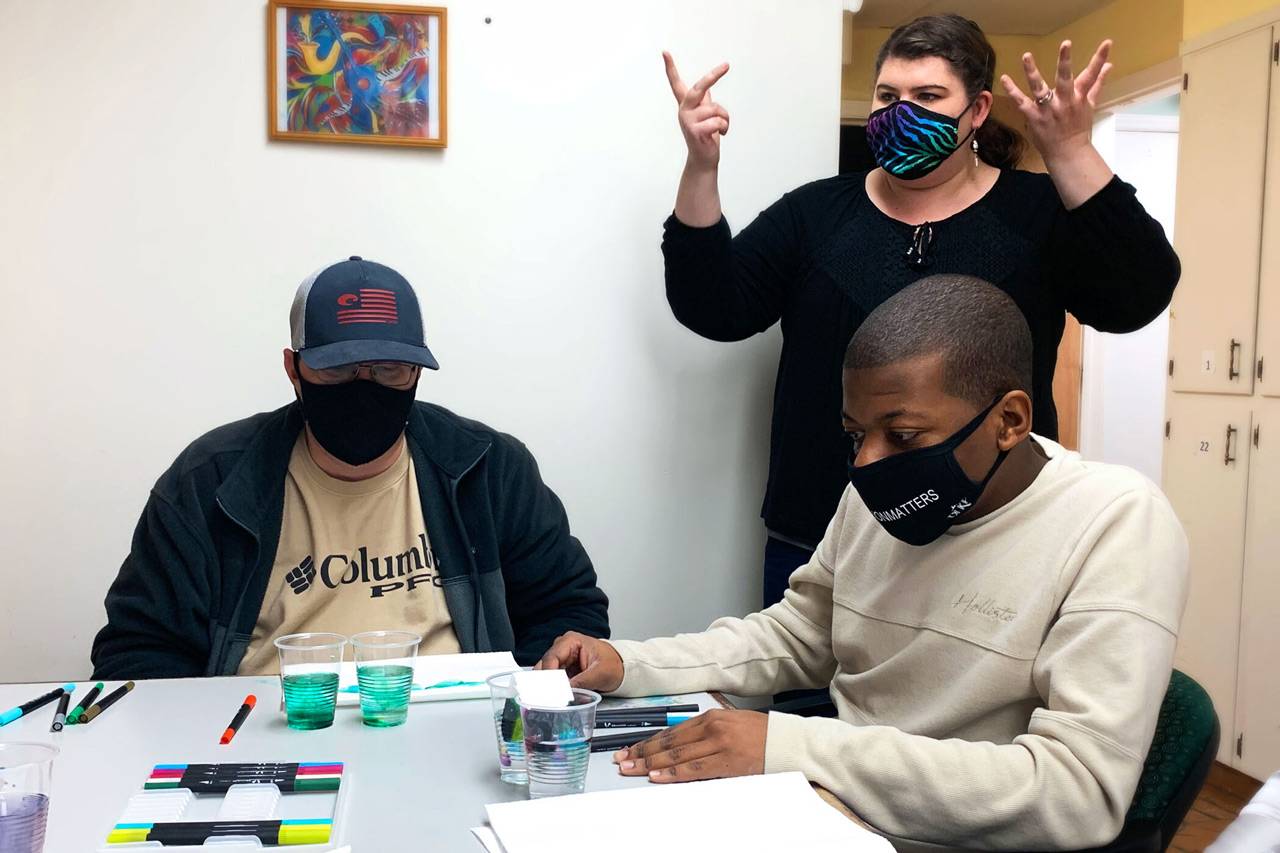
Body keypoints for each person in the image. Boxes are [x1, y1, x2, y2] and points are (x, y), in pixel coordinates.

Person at [538, 275, 1189, 850]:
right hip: (828, 811)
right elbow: (798, 635)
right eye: (856, 435)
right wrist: (632, 663)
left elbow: (1077, 793)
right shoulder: (876, 498)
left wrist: (792, 747)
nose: (868, 464)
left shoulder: (1116, 522)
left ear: (1010, 419)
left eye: (902, 436)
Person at [660, 14, 1181, 608]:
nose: (900, 112)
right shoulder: (817, 214)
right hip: (821, 535)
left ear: (978, 110)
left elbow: (1137, 296)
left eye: (928, 96)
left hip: (991, 536)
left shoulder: (1035, 213)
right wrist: (701, 167)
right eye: (888, 96)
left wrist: (1070, 151)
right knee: (801, 703)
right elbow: (712, 305)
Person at [92, 257, 609, 679]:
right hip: (270, 729)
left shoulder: (490, 469)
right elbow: (138, 651)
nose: (365, 388)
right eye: (336, 369)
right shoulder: (210, 483)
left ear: (417, 372)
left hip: (452, 728)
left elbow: (568, 610)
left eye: (390, 369)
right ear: (294, 368)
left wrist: (525, 697)